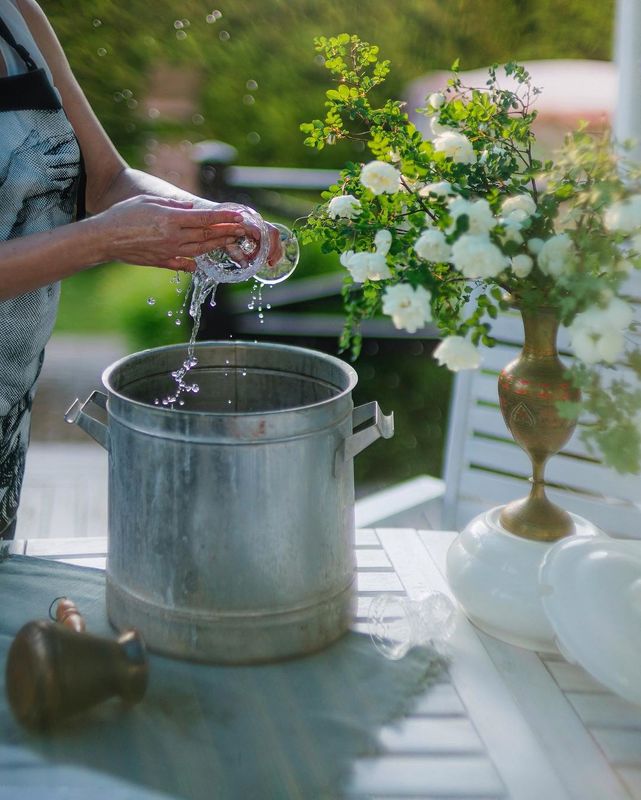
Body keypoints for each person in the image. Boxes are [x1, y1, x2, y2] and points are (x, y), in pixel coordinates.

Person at [0, 0, 276, 539]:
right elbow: (103, 223)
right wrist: (101, 240)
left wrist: (209, 218)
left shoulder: (18, 17)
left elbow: (106, 180)